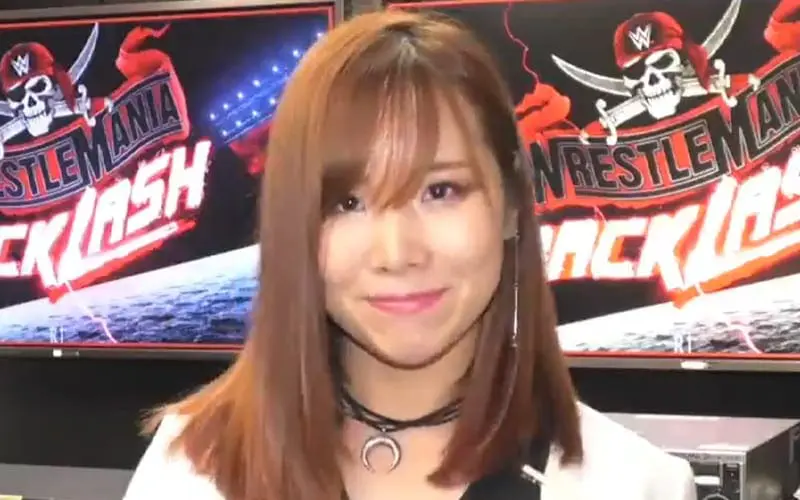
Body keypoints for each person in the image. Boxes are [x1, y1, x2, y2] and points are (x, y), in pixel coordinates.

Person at [123, 9, 697, 500]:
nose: (397, 253)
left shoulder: (633, 484)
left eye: (440, 191)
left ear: (509, 204)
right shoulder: (190, 470)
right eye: (347, 202)